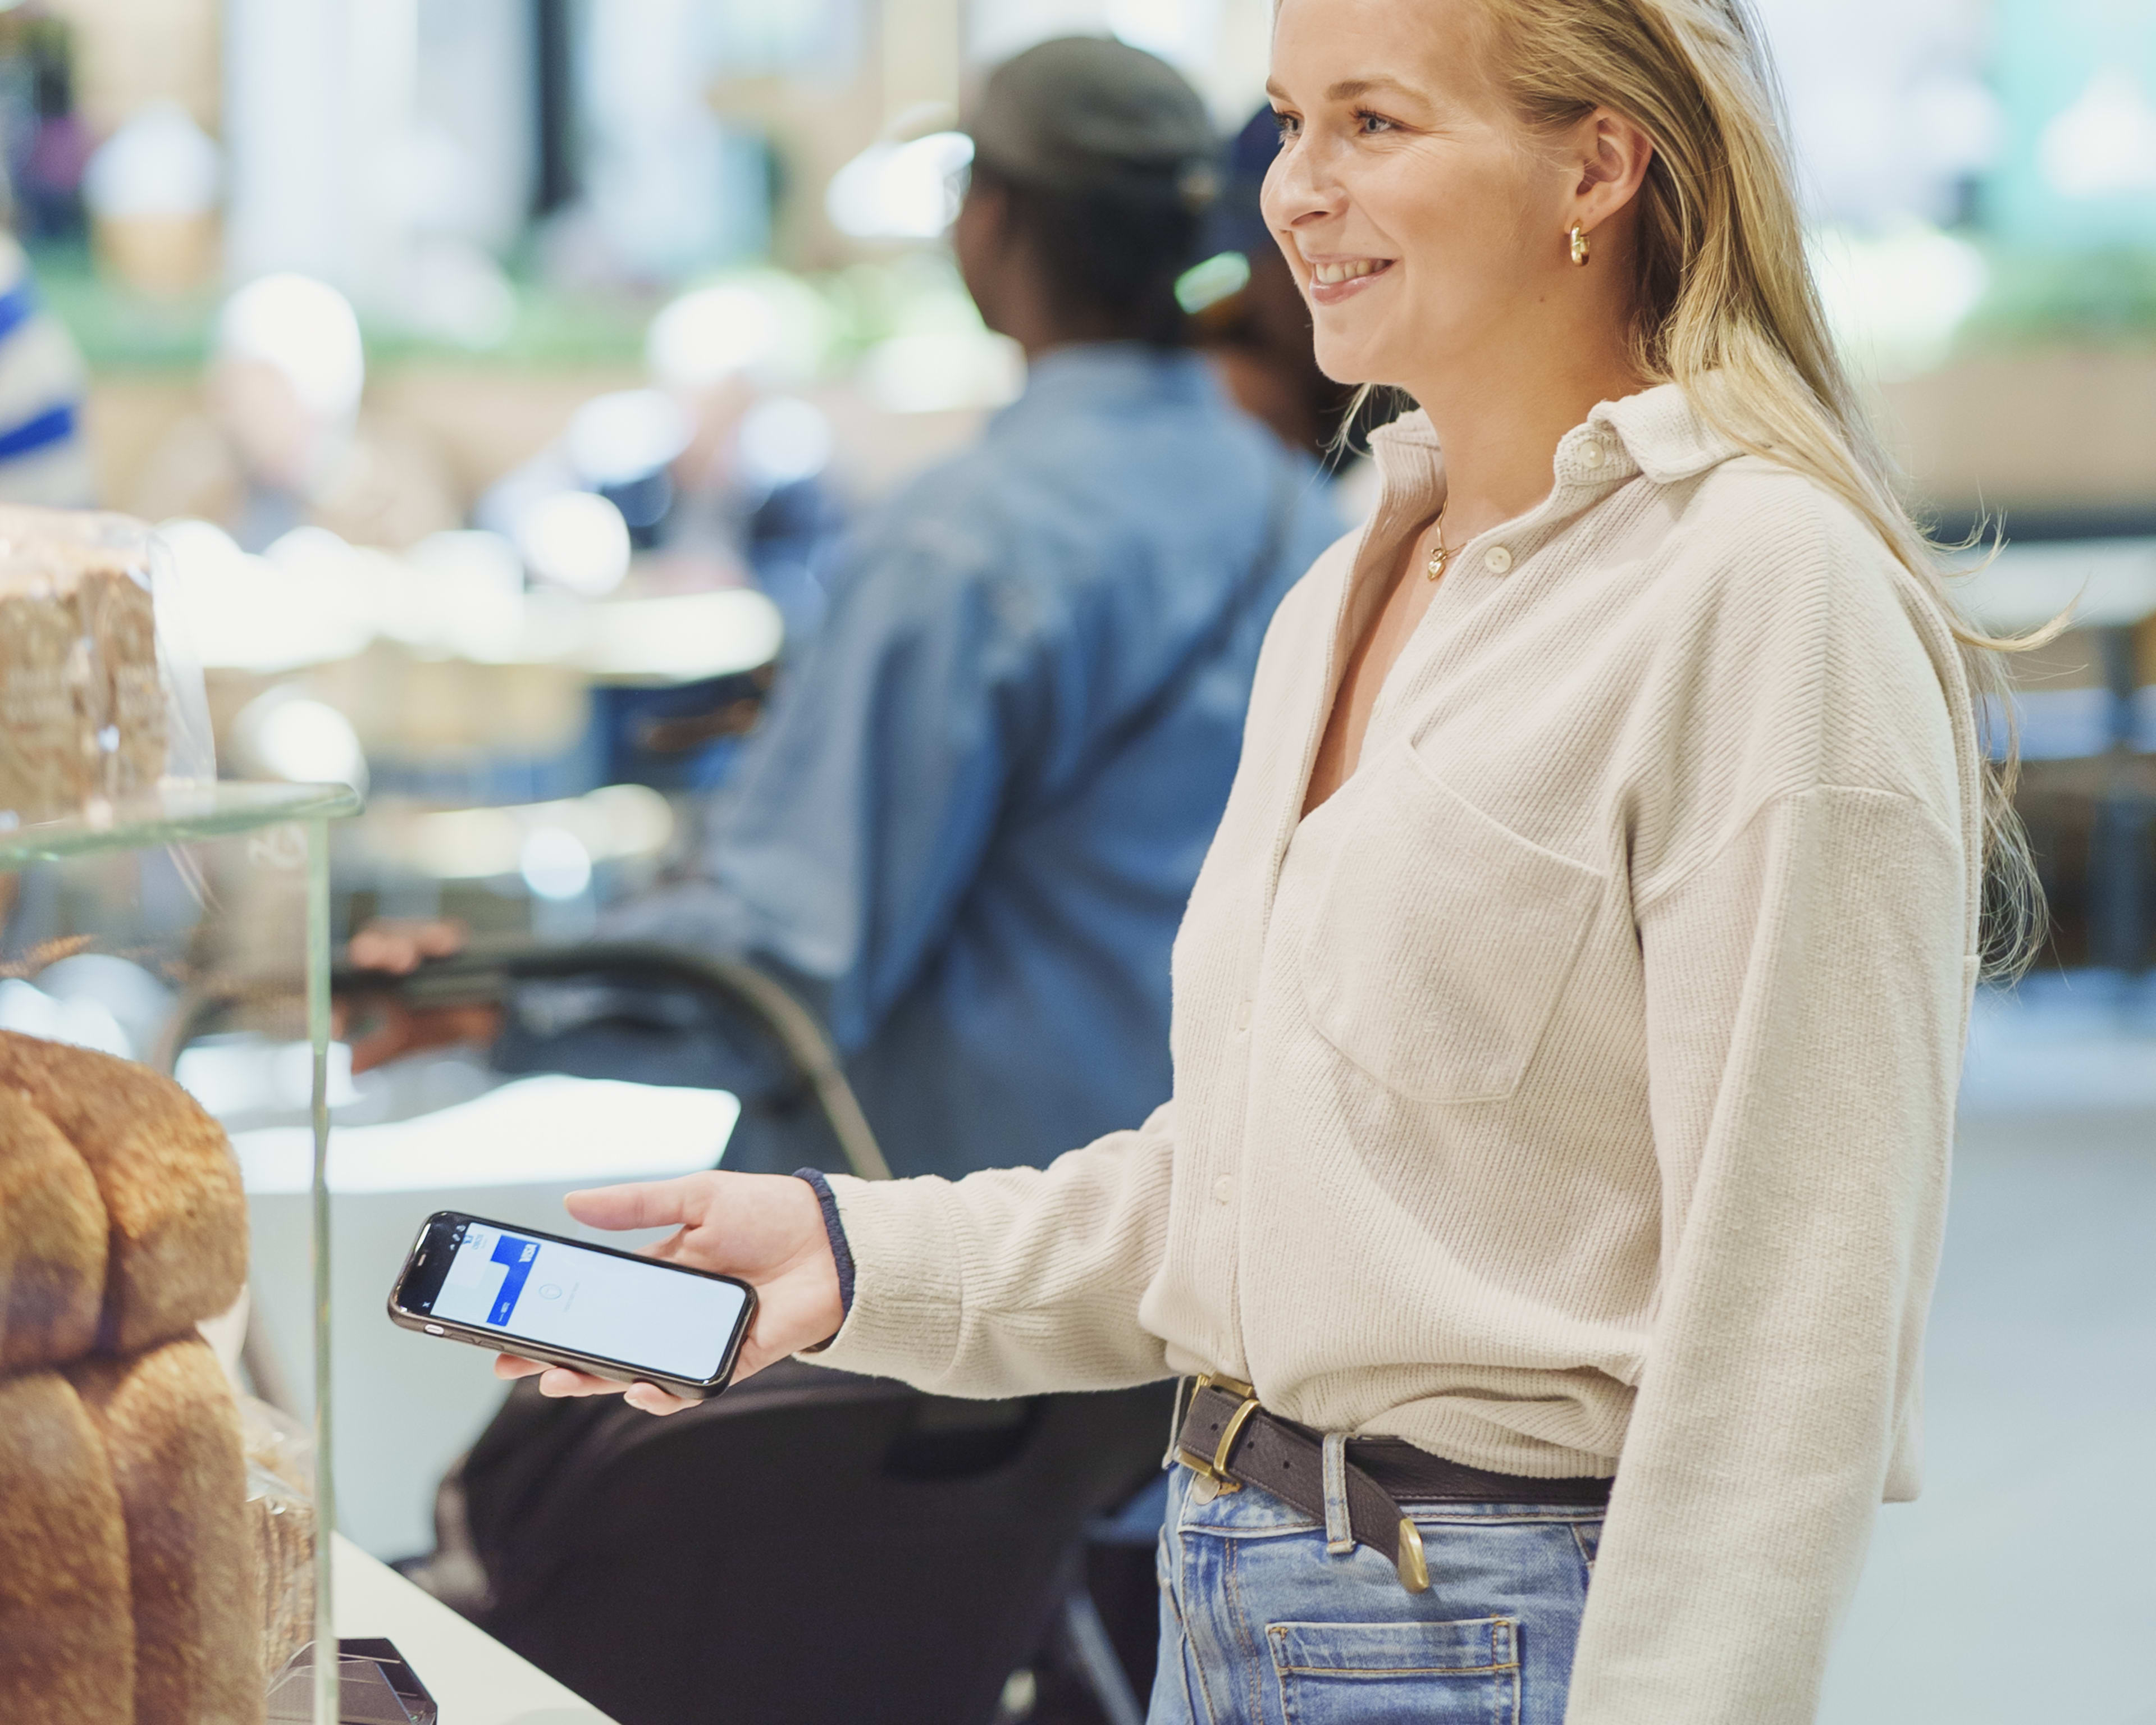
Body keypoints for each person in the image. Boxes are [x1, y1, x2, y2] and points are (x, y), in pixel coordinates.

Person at [494, 0, 2045, 1719]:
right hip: (1232, 1581)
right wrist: (846, 1257)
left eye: (1375, 123)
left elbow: (1789, 1337)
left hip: (1498, 1631)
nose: (1296, 191)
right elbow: (1254, 1198)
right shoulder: (1356, 579)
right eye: (1291, 125)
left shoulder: (1766, 587)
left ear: (1596, 166)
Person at [351, 38, 1344, 1190]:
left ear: (992, 222)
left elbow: (785, 957)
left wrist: (500, 993)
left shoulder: (960, 543)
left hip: (944, 1260)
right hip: (1191, 1236)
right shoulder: (1310, 526)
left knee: (559, 1362)